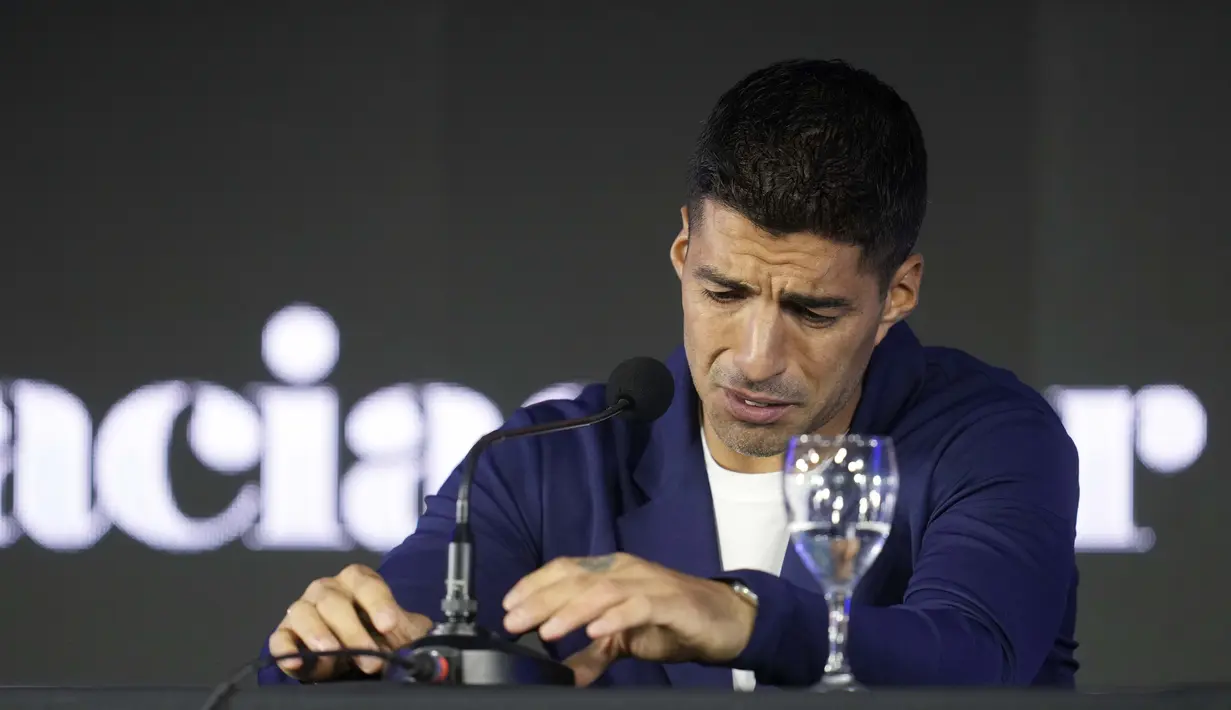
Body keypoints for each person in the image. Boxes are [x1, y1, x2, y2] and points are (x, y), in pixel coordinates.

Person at [258, 58, 1079, 689]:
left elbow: (974, 657)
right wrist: (325, 655)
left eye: (813, 311)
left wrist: (739, 617)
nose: (756, 357)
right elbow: (387, 650)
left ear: (896, 292)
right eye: (723, 291)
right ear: (684, 253)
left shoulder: (992, 438)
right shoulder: (543, 464)